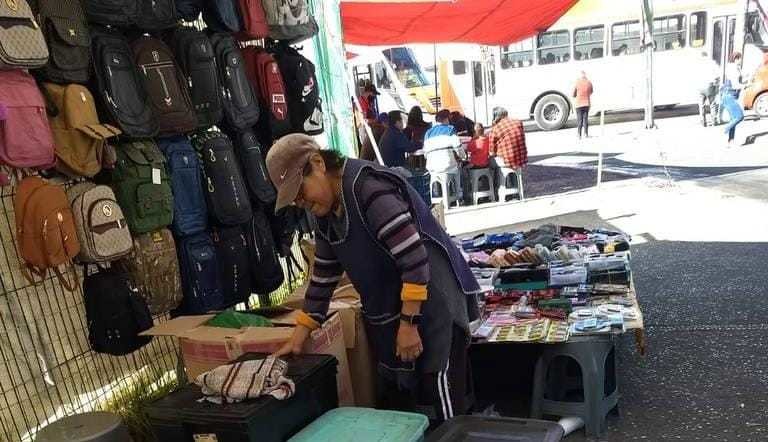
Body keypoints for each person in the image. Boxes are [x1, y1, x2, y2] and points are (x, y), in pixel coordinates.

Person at [267, 134, 481, 423]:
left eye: (300, 190)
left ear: (318, 163)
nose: (299, 201)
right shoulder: (326, 213)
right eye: (293, 197)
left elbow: (415, 261)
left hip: (432, 309)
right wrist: (300, 334)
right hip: (395, 312)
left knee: (443, 407)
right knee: (411, 408)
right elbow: (324, 275)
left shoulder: (369, 189)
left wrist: (409, 324)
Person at [423, 109, 464, 200]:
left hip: (432, 167)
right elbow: (458, 147)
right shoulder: (450, 129)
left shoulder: (428, 133)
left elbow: (425, 154)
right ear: (446, 119)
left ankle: (437, 196)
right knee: (459, 167)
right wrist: (463, 157)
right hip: (447, 166)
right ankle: (459, 195)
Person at [723, 52, 746, 147]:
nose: (741, 60)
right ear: (736, 58)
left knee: (733, 119)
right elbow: (735, 85)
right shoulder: (733, 69)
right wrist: (745, 85)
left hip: (730, 96)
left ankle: (730, 141)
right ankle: (725, 129)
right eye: (740, 58)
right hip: (729, 96)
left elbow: (739, 80)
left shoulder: (736, 68)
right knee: (739, 116)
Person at [573, 71, 593, 139]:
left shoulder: (577, 82)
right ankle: (586, 134)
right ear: (585, 75)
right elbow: (591, 92)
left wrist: (577, 94)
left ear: (580, 76)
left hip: (578, 104)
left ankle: (579, 134)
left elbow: (573, 94)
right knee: (585, 119)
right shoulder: (589, 82)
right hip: (586, 103)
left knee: (579, 119)